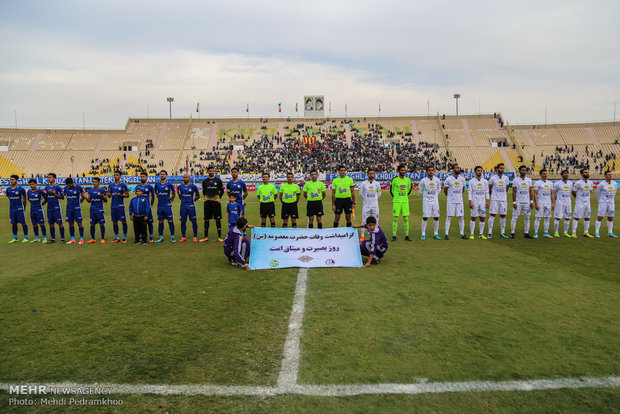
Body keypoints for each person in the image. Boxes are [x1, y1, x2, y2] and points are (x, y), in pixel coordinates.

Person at [443, 163, 467, 239]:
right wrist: (450, 197)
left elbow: (463, 190)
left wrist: (458, 196)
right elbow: (445, 190)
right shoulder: (448, 179)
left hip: (459, 201)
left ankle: (462, 233)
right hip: (451, 201)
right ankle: (446, 234)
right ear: (453, 169)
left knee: (461, 217)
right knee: (449, 217)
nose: (458, 169)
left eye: (459, 168)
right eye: (456, 168)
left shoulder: (462, 179)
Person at [201, 166, 225, 242]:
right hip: (207, 202)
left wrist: (217, 198)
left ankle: (220, 237)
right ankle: (205, 237)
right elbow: (204, 191)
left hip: (216, 202)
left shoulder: (218, 181)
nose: (211, 172)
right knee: (206, 219)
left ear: (214, 172)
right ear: (208, 172)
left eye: (212, 171)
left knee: (217, 219)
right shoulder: (205, 181)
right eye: (210, 171)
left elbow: (222, 191)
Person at [390, 164, 412, 241]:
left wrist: (404, 196)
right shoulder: (394, 180)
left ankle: (407, 235)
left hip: (405, 201)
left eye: (404, 170)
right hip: (397, 201)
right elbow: (391, 190)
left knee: (406, 218)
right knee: (395, 219)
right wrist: (396, 197)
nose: (403, 172)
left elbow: (409, 190)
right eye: (402, 170)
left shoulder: (408, 180)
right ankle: (394, 236)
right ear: (398, 171)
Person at [419, 165, 442, 240]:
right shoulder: (423, 181)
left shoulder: (437, 180)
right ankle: (423, 234)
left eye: (432, 170)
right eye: (429, 170)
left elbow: (439, 190)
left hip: (435, 200)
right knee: (425, 217)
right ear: (427, 171)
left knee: (436, 217)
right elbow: (421, 191)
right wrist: (427, 196)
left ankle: (436, 233)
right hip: (426, 201)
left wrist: (434, 196)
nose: (431, 172)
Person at [358, 168, 381, 241]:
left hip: (375, 205)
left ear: (374, 175)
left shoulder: (377, 184)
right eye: (370, 173)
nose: (371, 175)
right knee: (364, 220)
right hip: (366, 205)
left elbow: (379, 194)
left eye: (372, 173)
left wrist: (374, 199)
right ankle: (362, 235)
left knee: (376, 220)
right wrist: (366, 199)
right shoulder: (363, 184)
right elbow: (361, 194)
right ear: (367, 175)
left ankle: (375, 235)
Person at [487, 163, 509, 238]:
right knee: (492, 215)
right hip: (495, 199)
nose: (502, 169)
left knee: (503, 215)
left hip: (503, 199)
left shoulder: (506, 178)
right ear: (497, 169)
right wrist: (494, 195)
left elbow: (506, 188)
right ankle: (489, 232)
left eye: (503, 168)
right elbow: (489, 189)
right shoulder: (492, 178)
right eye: (500, 168)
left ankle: (502, 232)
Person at [511, 165, 533, 238]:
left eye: (525, 170)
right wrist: (514, 202)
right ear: (520, 171)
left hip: (527, 202)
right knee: (515, 217)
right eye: (522, 170)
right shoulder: (516, 180)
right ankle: (512, 233)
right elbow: (513, 191)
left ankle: (526, 233)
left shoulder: (529, 180)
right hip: (518, 202)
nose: (524, 171)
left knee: (527, 217)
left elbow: (530, 191)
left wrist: (531, 201)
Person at [154, 170, 176, 243]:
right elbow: (156, 193)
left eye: (163, 174)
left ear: (166, 175)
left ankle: (172, 237)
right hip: (160, 205)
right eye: (161, 174)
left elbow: (173, 193)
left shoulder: (169, 184)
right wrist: (160, 199)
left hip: (167, 206)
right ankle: (161, 237)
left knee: (170, 221)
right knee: (160, 222)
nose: (162, 175)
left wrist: (170, 200)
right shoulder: (157, 184)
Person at [107, 170, 129, 243]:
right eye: (114, 175)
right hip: (113, 206)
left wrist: (121, 195)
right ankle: (117, 237)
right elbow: (109, 194)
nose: (115, 176)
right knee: (114, 222)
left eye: (117, 175)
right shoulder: (111, 185)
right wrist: (108, 194)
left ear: (120, 176)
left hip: (120, 206)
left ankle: (124, 237)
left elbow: (127, 195)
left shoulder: (123, 185)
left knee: (123, 221)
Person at [467, 166, 489, 239]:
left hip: (482, 202)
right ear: (475, 172)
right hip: (474, 201)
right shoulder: (471, 181)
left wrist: (487, 201)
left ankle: (481, 233)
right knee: (473, 217)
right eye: (478, 170)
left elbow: (487, 192)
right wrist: (470, 201)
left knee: (482, 217)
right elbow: (469, 192)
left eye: (480, 170)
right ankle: (472, 234)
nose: (479, 172)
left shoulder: (485, 181)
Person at [177, 173, 200, 242]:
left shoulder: (193, 186)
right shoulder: (180, 187)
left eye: (186, 177)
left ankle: (195, 236)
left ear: (189, 178)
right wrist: (184, 201)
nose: (185, 178)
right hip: (183, 206)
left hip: (191, 206)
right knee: (183, 221)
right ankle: (183, 237)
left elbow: (198, 196)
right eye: (184, 177)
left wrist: (192, 201)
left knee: (193, 221)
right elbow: (179, 195)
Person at [571, 168, 594, 238]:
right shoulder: (578, 183)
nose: (587, 173)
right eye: (585, 172)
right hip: (580, 203)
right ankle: (573, 233)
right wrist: (577, 198)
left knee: (587, 217)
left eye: (588, 172)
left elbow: (590, 191)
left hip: (587, 203)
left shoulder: (590, 182)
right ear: (581, 174)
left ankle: (586, 232)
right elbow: (573, 191)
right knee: (577, 217)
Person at [533, 168, 555, 238]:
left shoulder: (550, 183)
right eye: (544, 174)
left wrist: (553, 203)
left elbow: (552, 193)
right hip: (540, 203)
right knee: (538, 218)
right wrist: (536, 203)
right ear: (540, 175)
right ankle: (536, 232)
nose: (545, 175)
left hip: (548, 203)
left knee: (547, 218)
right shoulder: (537, 183)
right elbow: (535, 194)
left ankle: (546, 232)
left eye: (546, 174)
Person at [6, 174, 29, 243]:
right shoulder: (8, 189)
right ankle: (15, 238)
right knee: (13, 223)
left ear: (17, 180)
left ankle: (26, 237)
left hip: (20, 209)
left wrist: (23, 209)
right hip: (12, 209)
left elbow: (24, 200)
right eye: (10, 180)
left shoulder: (21, 189)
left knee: (23, 223)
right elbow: (9, 197)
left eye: (12, 180)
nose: (11, 181)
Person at [85, 177, 107, 243]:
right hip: (92, 210)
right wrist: (85, 197)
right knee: (92, 224)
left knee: (101, 224)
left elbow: (106, 200)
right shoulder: (90, 191)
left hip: (100, 209)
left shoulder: (102, 190)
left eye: (95, 182)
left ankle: (102, 238)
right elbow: (89, 200)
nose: (94, 183)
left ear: (99, 183)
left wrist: (102, 196)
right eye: (93, 182)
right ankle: (93, 239)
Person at [595, 170, 617, 238]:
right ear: (605, 176)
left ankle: (610, 232)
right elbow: (597, 193)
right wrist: (600, 200)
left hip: (611, 203)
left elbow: (614, 192)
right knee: (600, 217)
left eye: (611, 174)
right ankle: (597, 232)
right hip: (603, 203)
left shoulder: (614, 183)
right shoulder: (602, 184)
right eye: (608, 174)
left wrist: (611, 199)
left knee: (610, 217)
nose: (610, 175)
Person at [64, 177, 86, 244]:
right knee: (70, 223)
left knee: (79, 223)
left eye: (70, 185)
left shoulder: (78, 187)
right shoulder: (66, 188)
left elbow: (83, 196)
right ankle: (72, 238)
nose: (69, 186)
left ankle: (81, 238)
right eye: (67, 185)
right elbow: (65, 196)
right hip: (69, 209)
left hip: (77, 209)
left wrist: (79, 203)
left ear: (73, 183)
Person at [45, 173, 65, 243]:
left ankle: (62, 239)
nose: (49, 179)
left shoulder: (58, 187)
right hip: (49, 208)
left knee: (60, 223)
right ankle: (53, 239)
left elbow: (62, 197)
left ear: (54, 178)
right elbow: (46, 197)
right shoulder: (47, 187)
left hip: (56, 208)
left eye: (50, 177)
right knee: (50, 223)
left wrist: (54, 194)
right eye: (48, 177)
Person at [135, 171, 155, 242]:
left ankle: (151, 236)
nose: (142, 178)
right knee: (140, 223)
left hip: (147, 208)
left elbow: (153, 196)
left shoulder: (149, 186)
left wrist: (150, 205)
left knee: (149, 222)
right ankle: (141, 235)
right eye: (141, 177)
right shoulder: (137, 186)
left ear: (146, 178)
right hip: (140, 208)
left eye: (143, 176)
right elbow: (137, 197)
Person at [552, 169, 573, 238]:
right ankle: (556, 232)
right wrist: (556, 199)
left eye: (567, 173)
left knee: (567, 218)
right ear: (561, 175)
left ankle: (565, 232)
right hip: (560, 202)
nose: (566, 174)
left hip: (568, 202)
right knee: (557, 218)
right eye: (564, 173)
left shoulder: (570, 183)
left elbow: (570, 192)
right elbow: (554, 192)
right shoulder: (557, 183)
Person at [27, 178, 47, 243]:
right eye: (30, 184)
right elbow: (29, 199)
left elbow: (46, 199)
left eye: (32, 184)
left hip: (39, 210)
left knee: (41, 224)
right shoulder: (29, 191)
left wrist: (41, 204)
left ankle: (44, 237)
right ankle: (37, 237)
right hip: (32, 210)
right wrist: (33, 204)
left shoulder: (40, 191)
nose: (31, 185)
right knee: (34, 224)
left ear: (36, 184)